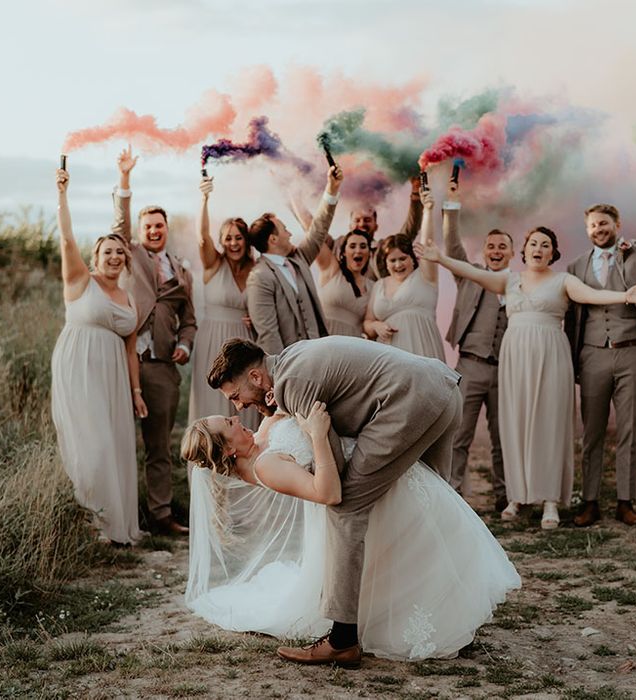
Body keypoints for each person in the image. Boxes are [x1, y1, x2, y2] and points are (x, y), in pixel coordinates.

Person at [181, 403, 521, 662]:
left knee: (425, 545)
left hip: (374, 476)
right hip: (355, 497)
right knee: (414, 551)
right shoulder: (266, 467)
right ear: (227, 450)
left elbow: (273, 416)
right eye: (229, 424)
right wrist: (315, 434)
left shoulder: (257, 444)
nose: (236, 418)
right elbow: (328, 492)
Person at [206, 335, 463, 667]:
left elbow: (335, 471)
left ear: (256, 377)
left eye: (236, 396)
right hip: (442, 388)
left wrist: (309, 432)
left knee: (346, 508)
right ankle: (450, 612)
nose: (238, 407)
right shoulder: (292, 358)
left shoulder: (291, 383)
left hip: (411, 403)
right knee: (429, 507)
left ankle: (341, 640)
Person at [416, 227, 636, 530]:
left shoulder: (563, 281)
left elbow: (593, 296)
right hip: (515, 358)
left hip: (551, 356)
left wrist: (626, 295)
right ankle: (518, 496)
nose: (538, 248)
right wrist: (440, 259)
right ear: (524, 250)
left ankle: (550, 502)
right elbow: (471, 273)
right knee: (515, 423)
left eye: (545, 244)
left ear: (552, 252)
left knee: (550, 424)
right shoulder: (509, 279)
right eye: (533, 243)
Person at [565, 164, 636, 527]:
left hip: (632, 352)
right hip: (592, 354)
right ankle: (590, 501)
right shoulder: (575, 266)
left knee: (630, 429)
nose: (598, 229)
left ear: (617, 225)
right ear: (587, 231)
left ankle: (626, 502)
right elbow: (571, 317)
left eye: (604, 223)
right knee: (593, 431)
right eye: (593, 225)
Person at [51, 167, 146, 546]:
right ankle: (92, 527)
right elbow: (66, 237)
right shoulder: (79, 281)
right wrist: (62, 194)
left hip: (114, 379)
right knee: (93, 445)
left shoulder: (128, 298)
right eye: (108, 252)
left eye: (120, 253)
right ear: (96, 256)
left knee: (116, 444)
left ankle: (116, 528)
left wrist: (136, 391)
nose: (115, 257)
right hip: (79, 368)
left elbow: (130, 347)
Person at [113, 147, 197, 536]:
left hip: (162, 367)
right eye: (147, 226)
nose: (152, 231)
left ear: (166, 229)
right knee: (115, 439)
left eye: (158, 226)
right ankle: (118, 516)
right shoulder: (129, 255)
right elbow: (119, 224)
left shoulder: (181, 269)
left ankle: (161, 515)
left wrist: (185, 345)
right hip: (123, 358)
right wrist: (126, 180)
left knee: (160, 446)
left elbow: (190, 320)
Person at [441, 180, 513, 504]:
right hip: (470, 365)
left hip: (505, 370)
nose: (496, 252)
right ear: (484, 251)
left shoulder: (521, 283)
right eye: (491, 247)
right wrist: (452, 204)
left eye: (502, 247)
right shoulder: (469, 274)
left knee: (503, 437)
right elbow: (452, 247)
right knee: (459, 435)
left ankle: (505, 495)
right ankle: (454, 494)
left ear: (512, 253)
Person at [246, 165, 342, 354]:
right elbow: (268, 334)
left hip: (318, 354)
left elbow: (318, 229)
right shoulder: (259, 277)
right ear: (272, 239)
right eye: (284, 229)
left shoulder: (298, 259)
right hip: (290, 362)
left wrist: (332, 188)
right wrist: (281, 374)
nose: (290, 234)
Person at [188, 176, 259, 430]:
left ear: (246, 240)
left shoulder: (258, 268)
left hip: (246, 341)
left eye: (238, 237)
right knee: (213, 405)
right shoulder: (213, 264)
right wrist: (205, 198)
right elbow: (202, 236)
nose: (233, 243)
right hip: (213, 341)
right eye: (228, 238)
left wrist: (257, 318)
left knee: (247, 403)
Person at [363, 186, 444, 360]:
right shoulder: (379, 285)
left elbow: (428, 242)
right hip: (388, 354)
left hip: (423, 350)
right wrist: (376, 326)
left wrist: (428, 210)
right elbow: (367, 322)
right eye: (392, 260)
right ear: (385, 262)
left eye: (403, 258)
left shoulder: (425, 276)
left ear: (413, 259)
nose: (398, 264)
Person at [315, 228, 374, 337]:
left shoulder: (373, 287)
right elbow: (315, 232)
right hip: (323, 339)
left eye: (363, 246)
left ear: (369, 253)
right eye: (352, 246)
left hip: (352, 346)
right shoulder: (331, 269)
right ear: (343, 252)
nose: (358, 250)